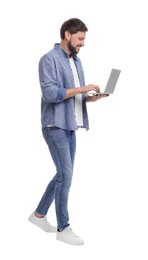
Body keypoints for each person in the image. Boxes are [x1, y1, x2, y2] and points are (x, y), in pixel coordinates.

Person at [28, 18, 108, 246]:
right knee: (66, 176)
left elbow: (74, 96)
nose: (83, 43)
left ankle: (39, 215)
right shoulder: (48, 59)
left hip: (71, 125)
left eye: (84, 39)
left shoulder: (77, 61)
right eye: (80, 38)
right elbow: (51, 94)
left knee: (64, 174)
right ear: (67, 35)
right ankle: (64, 227)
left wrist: (90, 98)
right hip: (55, 125)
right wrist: (83, 88)